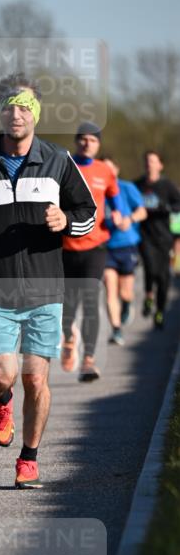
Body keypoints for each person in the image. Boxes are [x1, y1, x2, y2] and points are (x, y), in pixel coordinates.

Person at [0, 74, 96, 489]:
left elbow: (88, 212)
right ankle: (1, 400)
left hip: (45, 289)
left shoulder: (57, 159)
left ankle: (28, 459)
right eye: (9, 107)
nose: (16, 114)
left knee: (36, 379)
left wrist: (66, 220)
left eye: (24, 106)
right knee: (2, 375)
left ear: (36, 112)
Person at [61, 124, 123, 381]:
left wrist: (118, 214)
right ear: (77, 142)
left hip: (95, 246)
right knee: (67, 306)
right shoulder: (63, 166)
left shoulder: (104, 170)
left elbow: (115, 197)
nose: (87, 144)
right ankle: (69, 338)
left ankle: (89, 359)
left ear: (98, 145)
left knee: (89, 300)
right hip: (64, 247)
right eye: (83, 139)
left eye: (92, 140)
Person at [102, 156, 147, 345]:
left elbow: (142, 211)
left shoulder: (127, 188)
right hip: (105, 247)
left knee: (125, 292)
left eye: (110, 169)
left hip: (127, 245)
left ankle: (128, 304)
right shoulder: (96, 190)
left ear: (117, 170)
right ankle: (116, 329)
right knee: (110, 291)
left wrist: (130, 220)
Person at [134, 150, 180, 329]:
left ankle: (159, 310)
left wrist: (166, 207)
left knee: (163, 277)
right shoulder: (138, 184)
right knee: (150, 268)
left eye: (153, 161)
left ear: (160, 165)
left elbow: (178, 204)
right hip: (145, 236)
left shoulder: (167, 185)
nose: (149, 165)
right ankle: (148, 296)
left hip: (164, 237)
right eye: (147, 161)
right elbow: (127, 202)